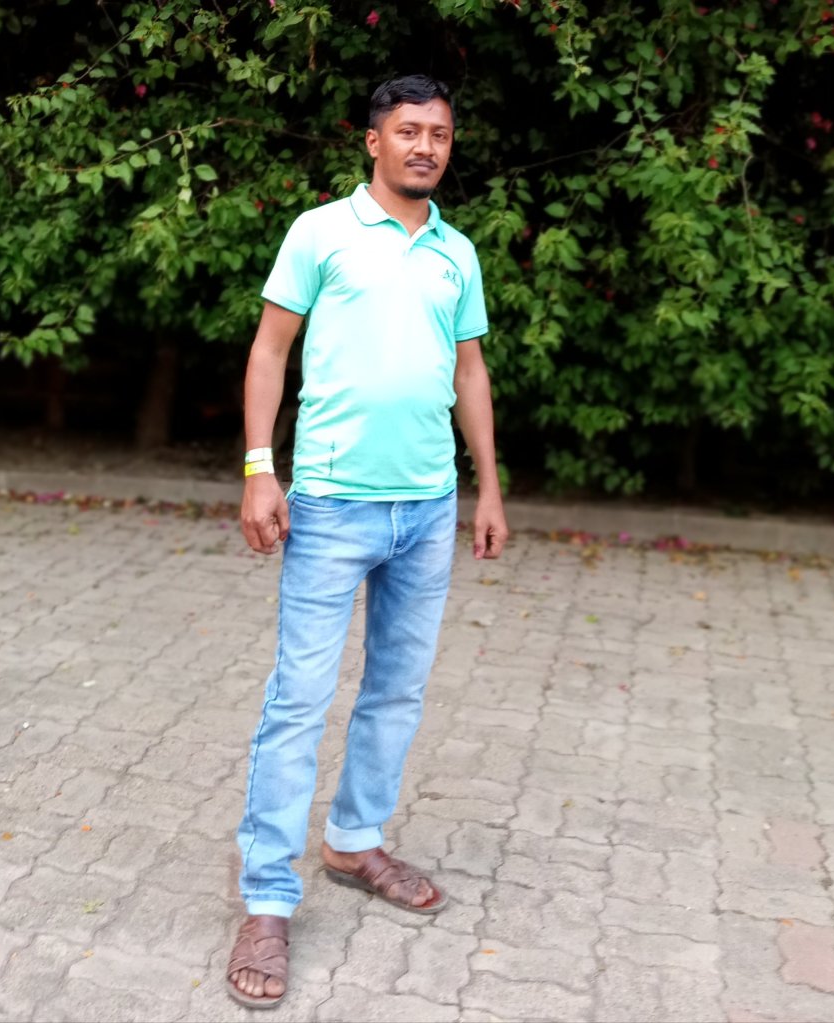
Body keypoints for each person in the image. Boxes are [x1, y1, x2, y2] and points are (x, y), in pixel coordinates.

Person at [226, 73, 508, 1009]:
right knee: (299, 700)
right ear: (373, 141)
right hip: (331, 504)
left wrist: (488, 487)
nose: (426, 146)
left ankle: (353, 842)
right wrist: (260, 468)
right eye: (409, 130)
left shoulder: (457, 252)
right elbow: (270, 350)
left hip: (426, 508)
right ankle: (267, 899)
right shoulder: (320, 233)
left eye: (440, 133)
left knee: (396, 690)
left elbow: (470, 370)